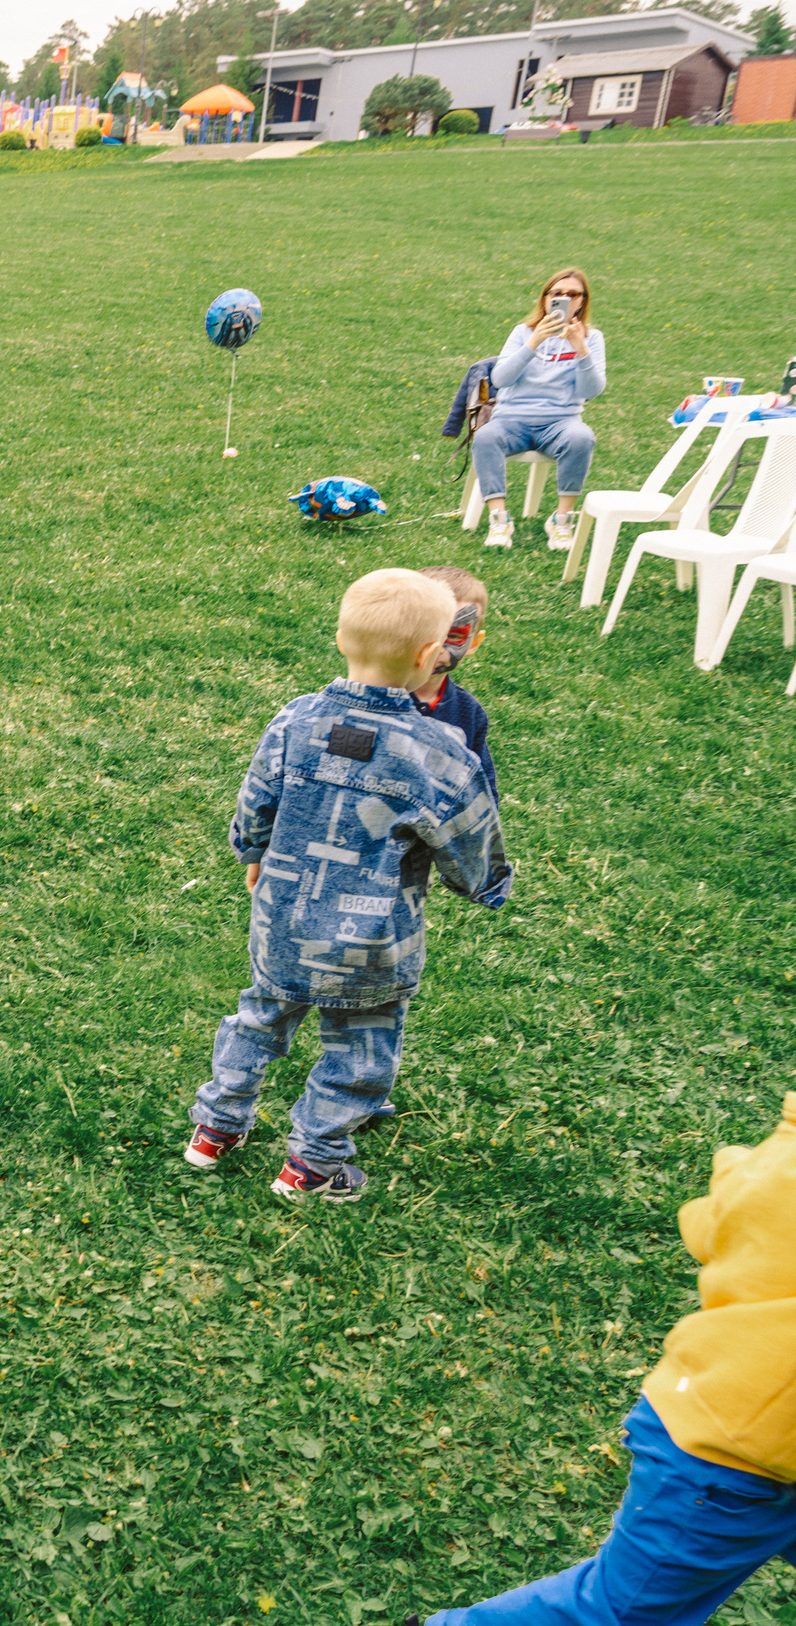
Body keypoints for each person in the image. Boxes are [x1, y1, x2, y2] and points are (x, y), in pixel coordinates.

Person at [368, 1092, 796, 1626]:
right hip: (732, 1452)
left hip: (750, 1426)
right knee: (625, 1608)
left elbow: (713, 1223)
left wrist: (741, 1181)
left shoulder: (781, 1161)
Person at [183, 569, 512, 1201]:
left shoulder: (294, 721)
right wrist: (485, 884)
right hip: (373, 940)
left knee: (259, 1017)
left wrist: (253, 849)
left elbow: (257, 799)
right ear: (429, 655)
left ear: (341, 637)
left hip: (283, 920)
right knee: (359, 1051)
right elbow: (470, 835)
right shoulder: (437, 750)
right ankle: (314, 1163)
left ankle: (215, 1128)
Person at [474, 269, 602, 553]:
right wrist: (534, 343)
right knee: (485, 437)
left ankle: (562, 520)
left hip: (560, 422)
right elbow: (500, 379)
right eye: (557, 293)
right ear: (545, 299)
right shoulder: (522, 333)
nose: (564, 299)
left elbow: (591, 391)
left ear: (582, 302)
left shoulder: (592, 338)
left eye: (573, 294)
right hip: (511, 420)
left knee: (581, 438)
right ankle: (499, 519)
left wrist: (581, 349)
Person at [414, 566, 498, 803]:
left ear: (473, 643)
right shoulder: (376, 697)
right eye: (424, 631)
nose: (435, 648)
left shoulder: (469, 713)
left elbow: (482, 786)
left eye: (453, 636)